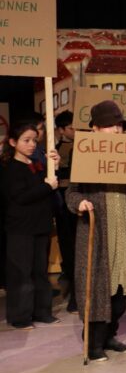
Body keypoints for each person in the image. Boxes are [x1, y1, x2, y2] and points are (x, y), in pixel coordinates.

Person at [66, 101, 126, 360]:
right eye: (109, 126)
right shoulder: (85, 155)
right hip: (98, 234)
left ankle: (109, 336)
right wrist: (79, 203)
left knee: (120, 292)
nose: (116, 130)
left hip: (123, 233)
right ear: (94, 129)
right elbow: (71, 192)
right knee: (97, 290)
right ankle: (93, 342)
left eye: (119, 125)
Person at [2, 121, 60, 330]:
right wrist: (47, 186)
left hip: (40, 225)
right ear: (13, 142)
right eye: (26, 140)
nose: (32, 144)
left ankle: (42, 311)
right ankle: (20, 317)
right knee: (21, 273)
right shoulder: (10, 168)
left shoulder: (36, 164)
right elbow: (20, 197)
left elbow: (49, 187)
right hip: (20, 228)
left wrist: (54, 167)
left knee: (40, 272)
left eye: (34, 140)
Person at [52, 110, 79, 310]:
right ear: (61, 130)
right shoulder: (56, 150)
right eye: (70, 127)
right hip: (64, 206)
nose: (74, 130)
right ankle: (73, 291)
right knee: (68, 247)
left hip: (79, 203)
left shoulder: (83, 147)